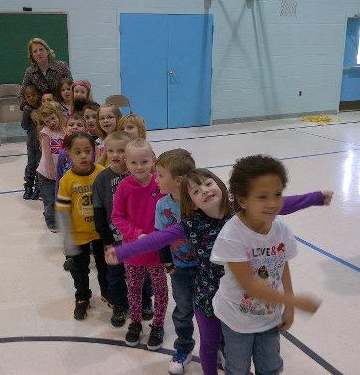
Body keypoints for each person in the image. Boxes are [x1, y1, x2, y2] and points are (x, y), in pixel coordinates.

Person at [106, 167, 332, 375]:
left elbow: (282, 203)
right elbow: (156, 239)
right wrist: (123, 252)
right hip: (208, 294)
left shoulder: (240, 210)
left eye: (208, 183)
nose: (204, 191)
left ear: (220, 186)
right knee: (211, 344)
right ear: (193, 203)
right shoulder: (191, 225)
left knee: (242, 344)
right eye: (196, 191)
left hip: (244, 295)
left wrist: (317, 198)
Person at [210, 155, 322, 375]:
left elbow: (282, 266)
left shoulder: (281, 229)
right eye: (262, 197)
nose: (273, 203)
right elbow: (249, 285)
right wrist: (294, 300)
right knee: (238, 368)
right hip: (237, 319)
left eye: (278, 194)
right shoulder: (232, 236)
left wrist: (288, 306)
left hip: (270, 317)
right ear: (242, 200)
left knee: (271, 367)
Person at [111, 138, 168, 351]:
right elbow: (117, 217)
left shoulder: (160, 184)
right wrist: (136, 234)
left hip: (157, 250)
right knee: (133, 287)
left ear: (153, 160)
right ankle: (135, 322)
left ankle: (158, 324)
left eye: (144, 161)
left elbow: (168, 213)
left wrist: (157, 237)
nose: (139, 167)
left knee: (160, 289)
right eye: (134, 163)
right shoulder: (124, 187)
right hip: (133, 250)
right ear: (126, 162)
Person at [93, 131, 153, 328]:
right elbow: (99, 209)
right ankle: (119, 304)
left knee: (142, 271)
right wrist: (105, 236)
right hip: (114, 237)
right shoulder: (102, 179)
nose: (116, 155)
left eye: (121, 151)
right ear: (105, 152)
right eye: (111, 150)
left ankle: (145, 301)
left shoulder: (138, 175)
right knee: (115, 273)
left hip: (138, 236)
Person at [55, 132, 107, 320]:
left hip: (101, 233)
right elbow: (62, 210)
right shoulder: (66, 181)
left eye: (87, 151)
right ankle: (82, 297)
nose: (84, 156)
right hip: (78, 235)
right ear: (68, 153)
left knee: (105, 266)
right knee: (80, 269)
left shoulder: (101, 172)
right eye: (78, 152)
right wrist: (67, 237)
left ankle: (107, 293)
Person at [154, 149, 197, 374]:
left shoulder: (199, 202)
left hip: (205, 270)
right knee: (182, 310)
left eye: (160, 175)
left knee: (213, 310)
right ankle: (183, 348)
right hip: (179, 269)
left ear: (178, 180)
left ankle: (220, 346)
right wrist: (168, 265)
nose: (156, 179)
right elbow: (161, 238)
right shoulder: (162, 206)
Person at [54, 112, 87, 270]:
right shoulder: (62, 154)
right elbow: (59, 177)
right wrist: (57, 197)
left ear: (85, 129)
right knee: (69, 228)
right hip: (68, 198)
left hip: (83, 197)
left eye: (79, 125)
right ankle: (70, 255)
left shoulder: (90, 153)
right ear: (65, 128)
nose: (75, 127)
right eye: (71, 125)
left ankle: (85, 250)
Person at [19, 38, 72, 111]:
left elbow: (72, 88)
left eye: (41, 49)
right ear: (32, 56)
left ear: (47, 51)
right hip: (40, 112)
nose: (38, 53)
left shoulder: (62, 66)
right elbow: (21, 95)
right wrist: (31, 111)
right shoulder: (30, 72)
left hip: (62, 109)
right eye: (35, 51)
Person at [36, 101, 66, 232]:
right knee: (49, 199)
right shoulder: (46, 132)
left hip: (61, 171)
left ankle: (59, 218)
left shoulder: (65, 131)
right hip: (46, 172)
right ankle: (51, 221)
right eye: (47, 121)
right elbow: (46, 153)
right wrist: (50, 170)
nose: (52, 123)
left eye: (53, 118)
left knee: (60, 197)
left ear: (58, 115)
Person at [21, 84, 41, 200]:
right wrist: (27, 112)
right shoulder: (27, 110)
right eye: (28, 96)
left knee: (39, 165)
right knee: (31, 165)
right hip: (31, 143)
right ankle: (28, 186)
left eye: (34, 95)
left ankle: (38, 187)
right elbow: (24, 125)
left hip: (41, 144)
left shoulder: (43, 109)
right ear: (25, 98)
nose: (32, 98)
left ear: (38, 95)